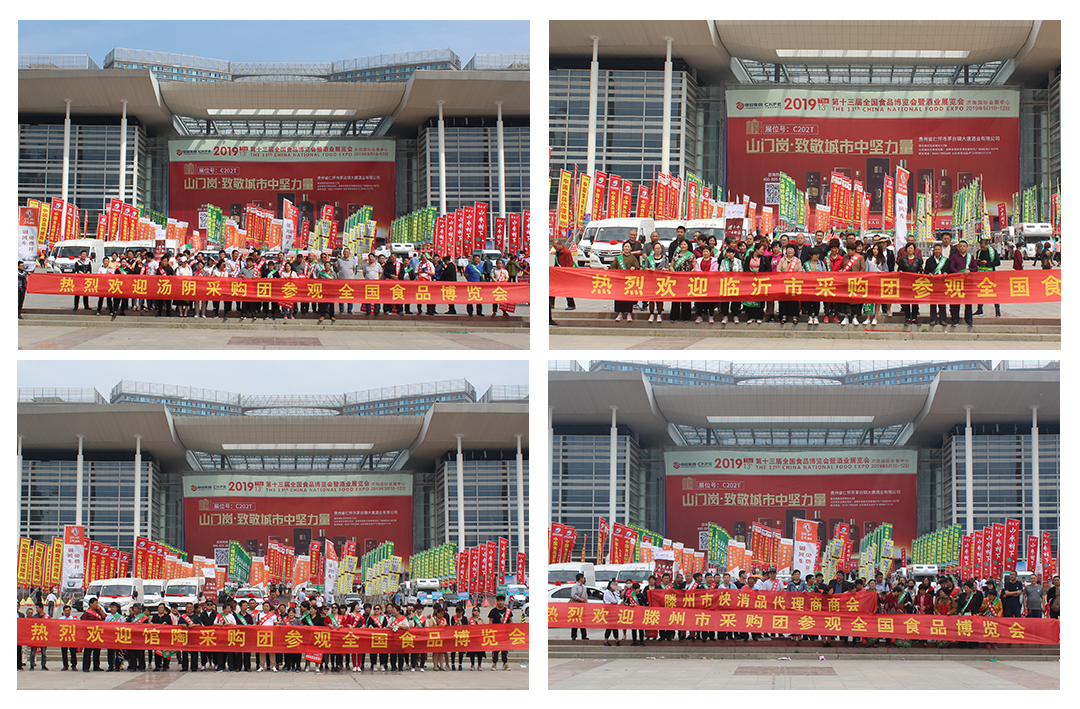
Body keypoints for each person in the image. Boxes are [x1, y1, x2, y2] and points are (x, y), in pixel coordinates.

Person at [945, 240, 977, 327]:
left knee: (968, 302)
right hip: (957, 282)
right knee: (956, 302)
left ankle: (969, 320)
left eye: (964, 246)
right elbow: (952, 267)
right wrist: (958, 274)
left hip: (967, 282)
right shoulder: (954, 257)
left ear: (967, 247)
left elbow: (975, 267)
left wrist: (970, 271)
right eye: (961, 246)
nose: (962, 247)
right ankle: (955, 320)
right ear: (958, 248)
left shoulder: (970, 257)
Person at [607, 241, 640, 322]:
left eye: (628, 247)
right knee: (619, 298)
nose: (627, 248)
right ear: (623, 248)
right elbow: (612, 266)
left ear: (630, 248)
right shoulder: (618, 258)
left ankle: (629, 313)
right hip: (620, 281)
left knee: (628, 298)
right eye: (625, 246)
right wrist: (607, 267)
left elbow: (637, 267)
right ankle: (620, 314)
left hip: (629, 281)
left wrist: (634, 268)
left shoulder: (633, 258)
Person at [668, 239, 695, 323]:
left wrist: (690, 273)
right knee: (676, 297)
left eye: (685, 244)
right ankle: (674, 316)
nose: (683, 246)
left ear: (688, 246)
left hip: (687, 279)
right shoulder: (676, 254)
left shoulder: (691, 255)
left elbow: (694, 267)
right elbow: (671, 265)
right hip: (677, 279)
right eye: (682, 244)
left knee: (686, 297)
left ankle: (686, 317)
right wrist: (672, 270)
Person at [974, 237, 1002, 317]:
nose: (982, 249)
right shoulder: (979, 252)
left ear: (987, 245)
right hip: (981, 275)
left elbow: (997, 262)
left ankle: (997, 311)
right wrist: (978, 262)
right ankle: (979, 309)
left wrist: (987, 263)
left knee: (994, 293)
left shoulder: (993, 252)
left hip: (991, 275)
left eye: (983, 247)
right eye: (981, 247)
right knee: (980, 292)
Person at [644, 241, 668, 323]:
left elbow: (668, 268)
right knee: (651, 298)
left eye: (659, 248)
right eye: (656, 248)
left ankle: (659, 314)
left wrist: (665, 269)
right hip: (651, 281)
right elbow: (645, 268)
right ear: (653, 249)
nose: (658, 250)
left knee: (660, 298)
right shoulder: (649, 258)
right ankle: (651, 314)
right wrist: (649, 269)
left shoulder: (665, 258)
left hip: (661, 281)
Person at [487, 594, 512, 670]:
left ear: (504, 602)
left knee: (505, 649)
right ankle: (494, 664)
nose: (500, 602)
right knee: (495, 649)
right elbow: (491, 621)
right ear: (497, 602)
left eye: (502, 601)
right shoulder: (493, 611)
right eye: (499, 601)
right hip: (496, 634)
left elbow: (511, 621)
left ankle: (505, 663)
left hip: (505, 634)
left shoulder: (507, 611)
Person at [80, 596, 104, 671]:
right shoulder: (86, 613)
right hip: (89, 635)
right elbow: (83, 623)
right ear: (91, 604)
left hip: (97, 634)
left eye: (97, 603)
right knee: (88, 652)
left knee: (97, 652)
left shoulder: (98, 612)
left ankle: (96, 666)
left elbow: (104, 617)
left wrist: (101, 610)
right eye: (95, 603)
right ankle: (86, 667)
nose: (97, 605)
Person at [569, 572, 589, 641]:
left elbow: (586, 595)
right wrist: (580, 599)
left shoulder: (584, 587)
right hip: (576, 605)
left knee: (582, 620)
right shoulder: (575, 586)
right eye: (583, 578)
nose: (584, 579)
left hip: (582, 605)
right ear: (580, 578)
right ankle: (574, 636)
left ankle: (584, 636)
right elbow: (573, 595)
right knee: (575, 620)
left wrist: (586, 600)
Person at [601, 581, 621, 646]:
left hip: (613, 611)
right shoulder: (607, 592)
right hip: (609, 612)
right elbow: (614, 601)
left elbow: (616, 601)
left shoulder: (612, 593)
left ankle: (617, 639)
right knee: (609, 626)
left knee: (615, 626)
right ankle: (606, 640)